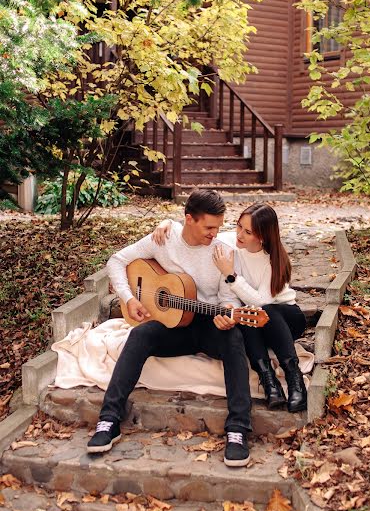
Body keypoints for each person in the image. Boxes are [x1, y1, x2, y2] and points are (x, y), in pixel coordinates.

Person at [87, 189, 253, 467]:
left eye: (219, 227)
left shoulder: (222, 251)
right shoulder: (164, 239)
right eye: (209, 227)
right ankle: (109, 420)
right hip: (174, 324)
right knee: (140, 334)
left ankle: (238, 429)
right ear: (189, 219)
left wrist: (228, 314)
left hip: (209, 322)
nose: (215, 233)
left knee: (234, 337)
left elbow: (226, 298)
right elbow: (116, 261)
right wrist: (128, 299)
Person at [153, 203, 307, 413]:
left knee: (264, 310)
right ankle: (269, 382)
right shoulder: (232, 243)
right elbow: (194, 227)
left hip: (285, 320)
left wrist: (230, 276)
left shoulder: (272, 260)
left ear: (262, 236)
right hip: (256, 320)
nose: (239, 234)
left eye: (248, 231)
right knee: (244, 317)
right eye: (238, 226)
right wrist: (167, 223)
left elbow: (262, 301)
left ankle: (294, 377)